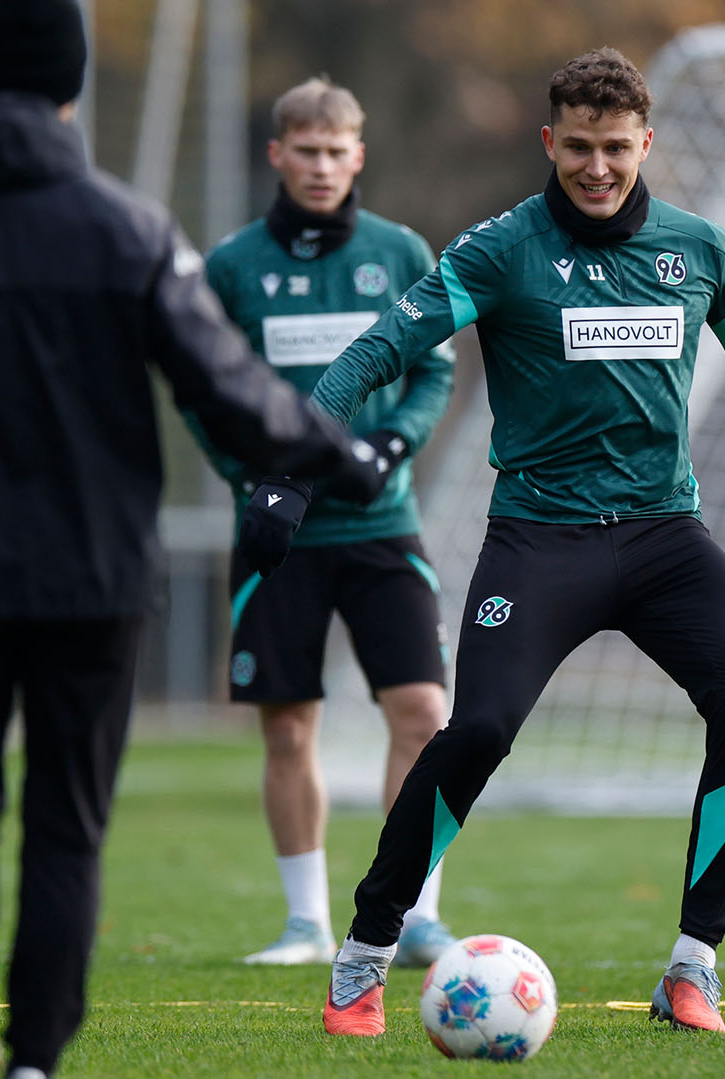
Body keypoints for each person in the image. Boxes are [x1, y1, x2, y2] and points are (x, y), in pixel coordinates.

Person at [279, 47, 725, 1038]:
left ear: (647, 141)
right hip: (538, 540)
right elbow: (383, 345)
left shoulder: (698, 251)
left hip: (662, 538)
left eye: (617, 148)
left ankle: (694, 962)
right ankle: (367, 949)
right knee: (476, 729)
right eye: (579, 148)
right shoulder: (499, 251)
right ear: (550, 141)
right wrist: (296, 462)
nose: (598, 167)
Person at [0, 2, 383, 1076]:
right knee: (67, 820)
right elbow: (235, 390)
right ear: (71, 90)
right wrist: (340, 453)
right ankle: (35, 1058)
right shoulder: (129, 228)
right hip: (94, 574)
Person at [183, 76, 458, 968]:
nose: (322, 166)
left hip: (381, 525)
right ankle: (304, 920)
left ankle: (414, 912)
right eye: (306, 150)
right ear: (278, 154)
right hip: (281, 535)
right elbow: (201, 391)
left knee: (422, 709)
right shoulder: (231, 266)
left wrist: (393, 444)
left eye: (338, 151)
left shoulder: (399, 249)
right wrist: (250, 477)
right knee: (288, 723)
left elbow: (434, 373)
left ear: (360, 157)